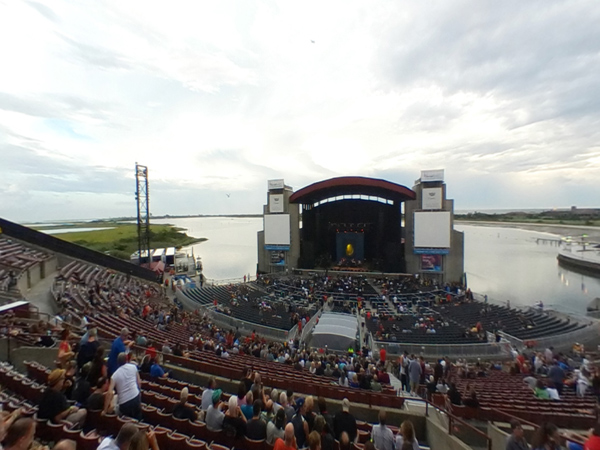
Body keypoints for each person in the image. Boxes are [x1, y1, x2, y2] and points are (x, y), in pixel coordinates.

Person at [104, 353, 141, 420]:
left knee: (126, 421)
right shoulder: (133, 367)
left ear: (117, 362)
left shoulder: (114, 376)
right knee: (137, 419)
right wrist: (139, 394)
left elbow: (109, 393)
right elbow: (139, 382)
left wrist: (105, 410)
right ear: (126, 359)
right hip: (135, 397)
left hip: (124, 402)